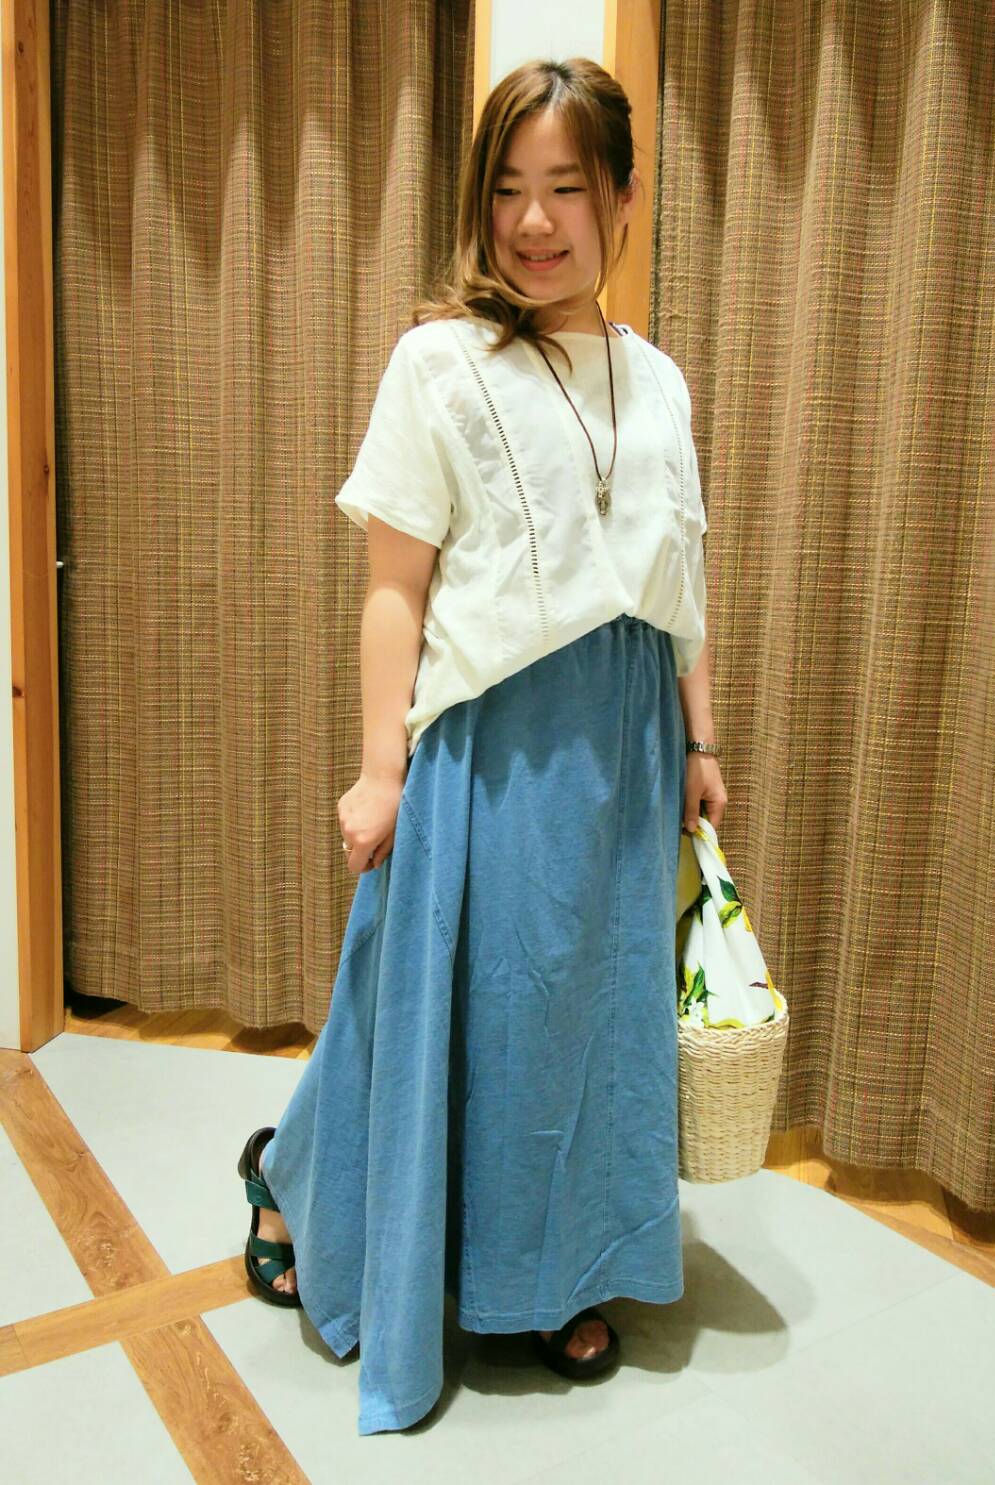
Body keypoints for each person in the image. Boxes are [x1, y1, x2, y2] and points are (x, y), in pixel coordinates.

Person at [237, 56, 727, 1436]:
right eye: (508, 188)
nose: (533, 221)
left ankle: (555, 1268)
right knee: (454, 1007)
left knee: (586, 1023)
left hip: (626, 744)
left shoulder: (659, 381)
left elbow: (683, 581)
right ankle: (293, 1182)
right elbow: (394, 587)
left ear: (622, 197)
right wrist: (378, 767)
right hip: (490, 747)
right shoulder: (438, 364)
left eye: (565, 186)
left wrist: (700, 739)